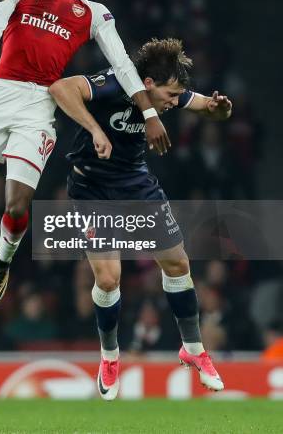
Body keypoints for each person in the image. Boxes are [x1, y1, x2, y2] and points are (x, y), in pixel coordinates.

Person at [0, 0, 170, 306]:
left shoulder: (92, 13)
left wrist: (149, 110)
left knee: (18, 203)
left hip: (39, 104)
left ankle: (2, 261)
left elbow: (122, 64)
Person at [49, 38, 232, 400]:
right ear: (148, 85)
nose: (174, 101)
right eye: (170, 95)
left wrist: (218, 108)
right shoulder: (113, 83)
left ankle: (194, 350)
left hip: (135, 186)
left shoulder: (169, 91)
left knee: (178, 263)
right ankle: (109, 356)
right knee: (108, 277)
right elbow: (60, 88)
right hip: (92, 188)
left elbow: (210, 110)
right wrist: (95, 129)